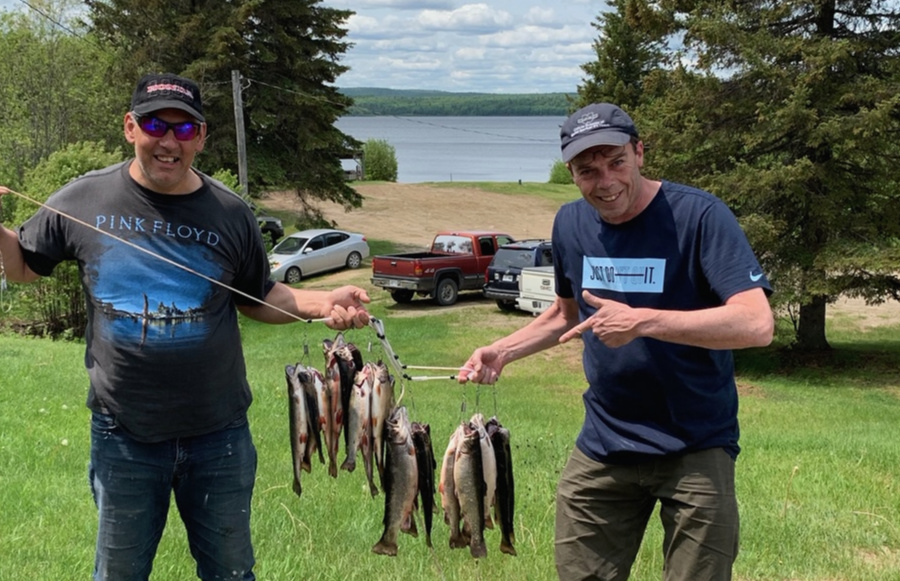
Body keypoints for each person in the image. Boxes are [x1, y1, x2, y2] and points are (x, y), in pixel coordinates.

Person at [0, 73, 370, 581]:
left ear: (202, 136)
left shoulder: (230, 212)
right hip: (123, 434)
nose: (169, 141)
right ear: (131, 127)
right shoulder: (82, 199)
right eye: (156, 124)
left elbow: (258, 295)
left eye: (185, 128)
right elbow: (22, 267)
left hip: (218, 436)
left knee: (231, 573)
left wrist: (322, 302)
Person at [458, 103, 774, 581]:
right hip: (604, 444)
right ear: (572, 173)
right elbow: (565, 315)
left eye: (616, 163)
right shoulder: (571, 225)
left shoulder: (700, 217)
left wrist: (645, 321)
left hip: (696, 445)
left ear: (640, 152)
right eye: (588, 171)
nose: (605, 181)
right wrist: (503, 350)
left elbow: (755, 323)